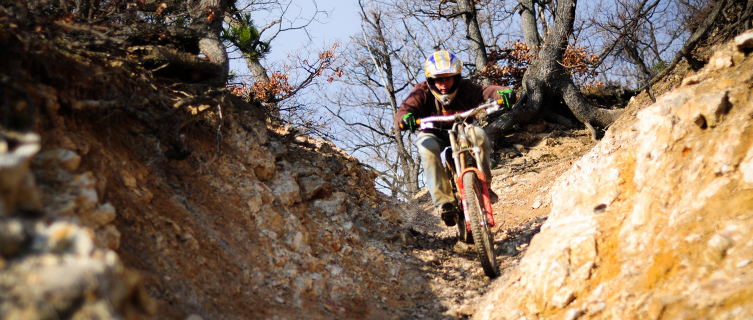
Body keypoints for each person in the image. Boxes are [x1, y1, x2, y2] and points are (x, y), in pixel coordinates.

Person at [395, 50, 515, 227]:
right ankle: (444, 202)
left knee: (480, 136)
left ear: (456, 77)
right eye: (438, 79)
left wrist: (504, 92)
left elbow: (486, 91)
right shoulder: (422, 91)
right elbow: (404, 111)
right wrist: (405, 119)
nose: (443, 84)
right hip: (433, 132)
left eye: (448, 78)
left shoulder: (465, 88)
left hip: (462, 129)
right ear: (430, 80)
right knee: (426, 148)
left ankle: (485, 186)